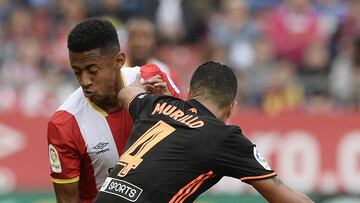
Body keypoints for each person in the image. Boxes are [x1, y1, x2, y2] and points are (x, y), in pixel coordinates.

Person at [95, 61, 314, 203]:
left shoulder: (155, 106)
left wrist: (157, 95)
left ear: (190, 93)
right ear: (232, 107)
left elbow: (126, 93)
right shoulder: (224, 137)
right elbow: (283, 197)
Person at [47, 18, 180, 203]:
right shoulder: (64, 124)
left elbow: (190, 145)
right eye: (77, 72)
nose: (84, 81)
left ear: (119, 60)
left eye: (92, 70)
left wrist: (170, 107)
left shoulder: (153, 81)